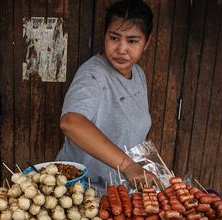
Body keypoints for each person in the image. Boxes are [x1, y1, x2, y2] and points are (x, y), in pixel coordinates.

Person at [57, 0, 159, 191]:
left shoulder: (138, 74)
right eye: (114, 38)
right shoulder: (93, 74)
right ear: (105, 36)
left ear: (147, 43)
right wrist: (128, 166)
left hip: (119, 192)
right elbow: (70, 122)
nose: (121, 49)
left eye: (132, 41)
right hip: (82, 191)